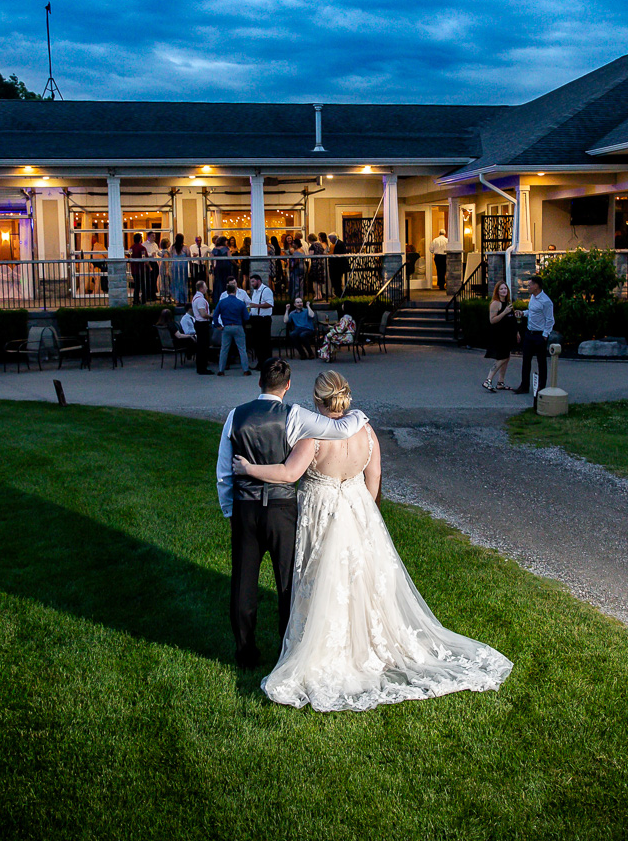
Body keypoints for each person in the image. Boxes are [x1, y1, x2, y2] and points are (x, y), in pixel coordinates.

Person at [230, 369, 512, 709]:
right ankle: (369, 640)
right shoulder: (366, 431)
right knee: (361, 579)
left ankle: (323, 644)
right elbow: (374, 476)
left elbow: (289, 474)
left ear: (318, 401)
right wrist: (367, 511)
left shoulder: (313, 437)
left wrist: (249, 469)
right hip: (358, 508)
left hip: (322, 510)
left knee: (324, 578)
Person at [214, 360, 372, 670]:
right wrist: (359, 415)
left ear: (259, 382)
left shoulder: (235, 416)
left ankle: (245, 651)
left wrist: (230, 510)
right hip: (282, 510)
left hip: (246, 509)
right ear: (287, 386)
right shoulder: (295, 416)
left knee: (243, 581)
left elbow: (223, 471)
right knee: (288, 581)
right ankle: (288, 650)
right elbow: (339, 428)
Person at [514, 275, 554, 396]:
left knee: (541, 362)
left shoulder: (546, 301)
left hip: (539, 335)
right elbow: (532, 312)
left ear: (536, 286)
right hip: (529, 333)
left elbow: (550, 319)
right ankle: (524, 385)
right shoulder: (533, 298)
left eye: (530, 285)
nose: (528, 287)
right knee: (526, 360)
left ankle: (542, 386)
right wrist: (523, 313)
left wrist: (545, 334)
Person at [483, 281, 517, 391]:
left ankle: (500, 382)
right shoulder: (495, 303)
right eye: (501, 289)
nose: (504, 291)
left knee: (506, 358)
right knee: (502, 358)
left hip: (508, 335)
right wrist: (504, 312)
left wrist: (517, 332)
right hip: (499, 335)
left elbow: (512, 320)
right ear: (497, 291)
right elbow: (492, 320)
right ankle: (488, 380)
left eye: (505, 289)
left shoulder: (508, 303)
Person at [216, 279, 251, 376]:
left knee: (224, 349)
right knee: (242, 349)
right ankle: (245, 369)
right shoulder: (240, 303)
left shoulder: (222, 302)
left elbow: (215, 315)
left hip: (226, 327)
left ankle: (221, 370)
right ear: (235, 291)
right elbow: (246, 317)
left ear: (227, 291)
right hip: (238, 326)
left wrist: (218, 325)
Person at [245, 272, 274, 369]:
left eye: (253, 282)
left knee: (264, 342)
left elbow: (270, 304)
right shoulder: (255, 292)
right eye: (251, 282)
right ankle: (260, 363)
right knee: (257, 342)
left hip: (263, 319)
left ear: (258, 281)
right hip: (255, 319)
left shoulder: (266, 290)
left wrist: (256, 306)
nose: (252, 284)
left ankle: (267, 363)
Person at [191, 280, 214, 375]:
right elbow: (203, 314)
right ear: (201, 288)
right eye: (205, 287)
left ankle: (201, 366)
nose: (207, 288)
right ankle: (202, 367)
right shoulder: (200, 299)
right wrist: (211, 315)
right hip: (202, 324)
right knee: (203, 346)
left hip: (199, 323)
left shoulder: (195, 298)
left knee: (201, 346)